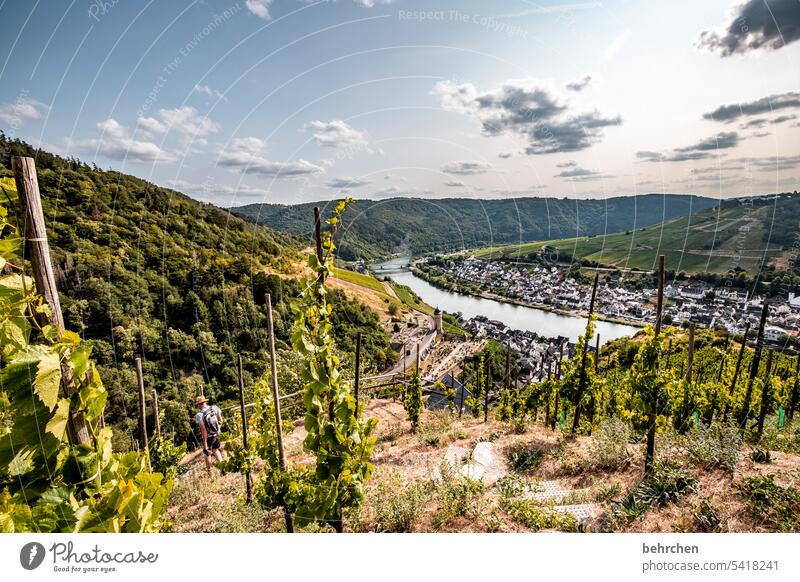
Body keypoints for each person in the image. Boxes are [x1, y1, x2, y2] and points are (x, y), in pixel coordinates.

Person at [194, 395, 224, 472]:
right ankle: (223, 468)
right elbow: (220, 420)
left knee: (207, 453)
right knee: (215, 450)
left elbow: (203, 430)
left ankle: (209, 472)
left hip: (208, 437)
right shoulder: (214, 408)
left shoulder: (199, 415)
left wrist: (205, 445)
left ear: (199, 404)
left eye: (197, 405)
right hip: (216, 434)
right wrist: (217, 429)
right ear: (205, 402)